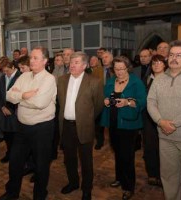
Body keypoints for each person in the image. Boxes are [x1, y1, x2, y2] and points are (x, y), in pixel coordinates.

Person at [0, 47, 56, 200]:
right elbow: (9, 96)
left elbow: (40, 102)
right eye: (31, 57)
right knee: (15, 162)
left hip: (42, 128)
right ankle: (12, 192)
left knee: (41, 165)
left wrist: (20, 99)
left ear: (45, 61)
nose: (32, 60)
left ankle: (39, 195)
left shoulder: (49, 79)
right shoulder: (24, 76)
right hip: (22, 127)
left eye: (36, 58)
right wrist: (25, 95)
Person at [57, 52, 104, 200]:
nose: (72, 64)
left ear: (84, 65)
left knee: (86, 161)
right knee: (69, 158)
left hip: (84, 126)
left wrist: (87, 118)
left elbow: (98, 106)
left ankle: (86, 189)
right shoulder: (62, 80)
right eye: (71, 62)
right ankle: (73, 183)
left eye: (76, 62)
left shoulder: (94, 82)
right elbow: (60, 102)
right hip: (66, 126)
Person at [147, 40, 181, 200]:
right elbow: (150, 102)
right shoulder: (159, 79)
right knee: (169, 177)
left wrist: (173, 124)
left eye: (179, 55)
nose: (174, 58)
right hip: (165, 138)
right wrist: (160, 121)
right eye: (171, 55)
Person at [100, 55, 146, 200]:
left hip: (128, 124)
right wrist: (106, 101)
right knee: (117, 153)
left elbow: (142, 101)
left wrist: (128, 102)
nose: (119, 71)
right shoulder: (110, 81)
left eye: (122, 68)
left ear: (128, 68)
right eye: (116, 69)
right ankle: (119, 178)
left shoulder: (135, 82)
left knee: (127, 156)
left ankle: (128, 187)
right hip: (113, 122)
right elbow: (106, 96)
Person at [142, 54, 167, 187]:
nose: (156, 65)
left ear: (165, 64)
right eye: (154, 63)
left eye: (159, 62)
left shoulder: (170, 79)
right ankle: (152, 174)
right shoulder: (147, 79)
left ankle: (163, 176)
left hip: (164, 118)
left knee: (163, 149)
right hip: (148, 119)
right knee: (150, 147)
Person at [0, 58, 21, 163]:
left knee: (16, 137)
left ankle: (16, 156)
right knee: (7, 135)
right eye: (4, 71)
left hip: (15, 113)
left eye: (7, 71)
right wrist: (2, 107)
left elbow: (21, 96)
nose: (6, 73)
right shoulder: (3, 78)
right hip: (4, 112)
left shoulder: (20, 77)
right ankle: (9, 153)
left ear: (13, 67)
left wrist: (10, 108)